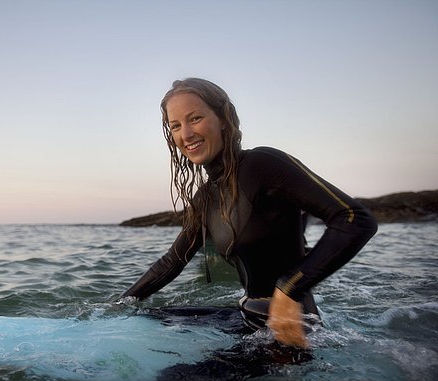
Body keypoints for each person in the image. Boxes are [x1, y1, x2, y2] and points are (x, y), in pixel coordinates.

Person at [120, 78, 378, 348]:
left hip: (289, 331)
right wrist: (119, 304)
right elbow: (173, 261)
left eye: (195, 118)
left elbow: (354, 219)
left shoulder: (262, 165)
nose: (185, 134)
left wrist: (290, 289)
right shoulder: (206, 197)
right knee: (145, 318)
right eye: (176, 126)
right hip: (249, 318)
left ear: (223, 119)